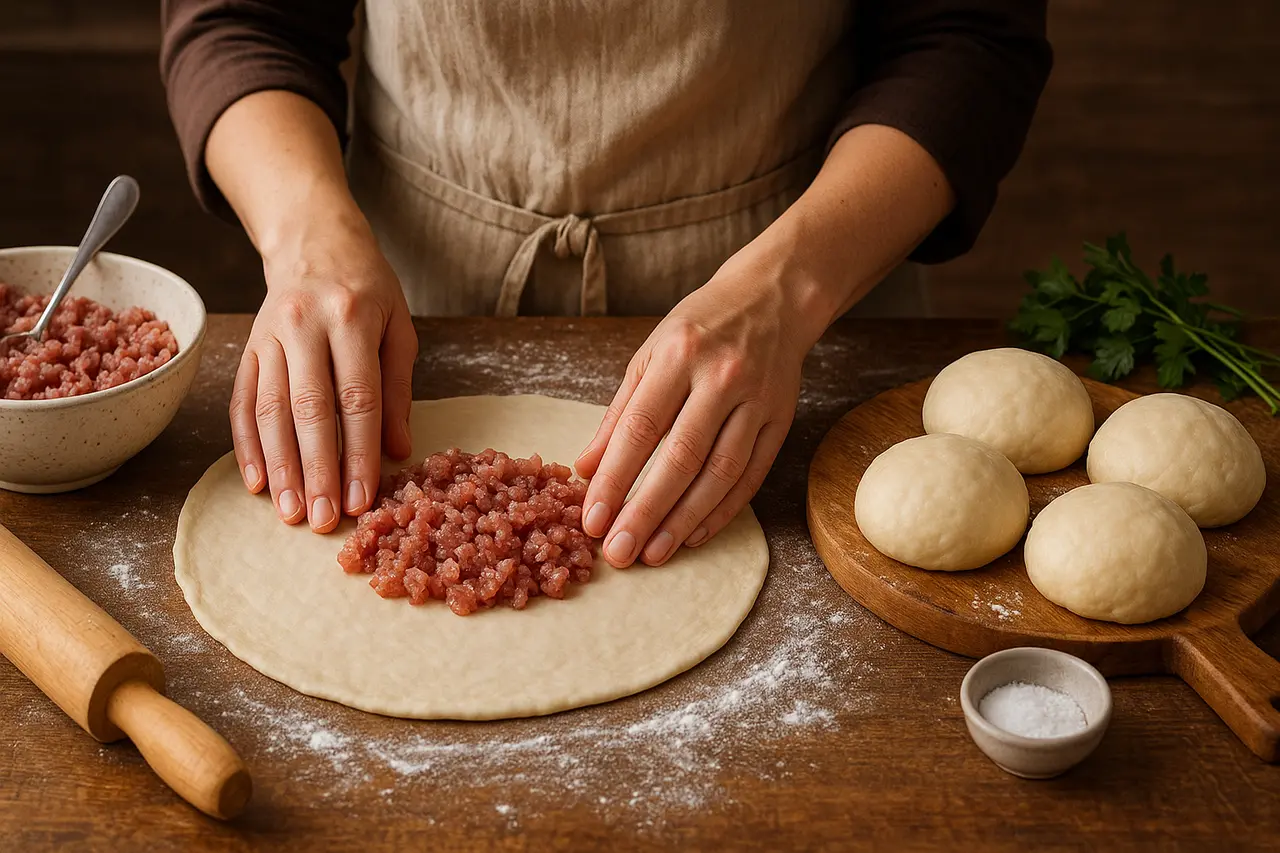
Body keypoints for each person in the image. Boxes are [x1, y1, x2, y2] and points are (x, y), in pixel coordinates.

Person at [161, 1, 1050, 569]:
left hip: (809, 295)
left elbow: (966, 37)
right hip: (408, 309)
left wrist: (790, 288)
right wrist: (305, 232)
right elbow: (244, 17)